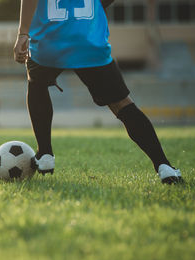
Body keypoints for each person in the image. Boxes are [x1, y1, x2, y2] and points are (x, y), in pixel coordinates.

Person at [13, 0, 183, 184]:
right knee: (122, 104)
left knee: (37, 83)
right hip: (88, 39)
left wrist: (23, 33)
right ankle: (163, 166)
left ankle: (45, 153)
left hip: (50, 39)